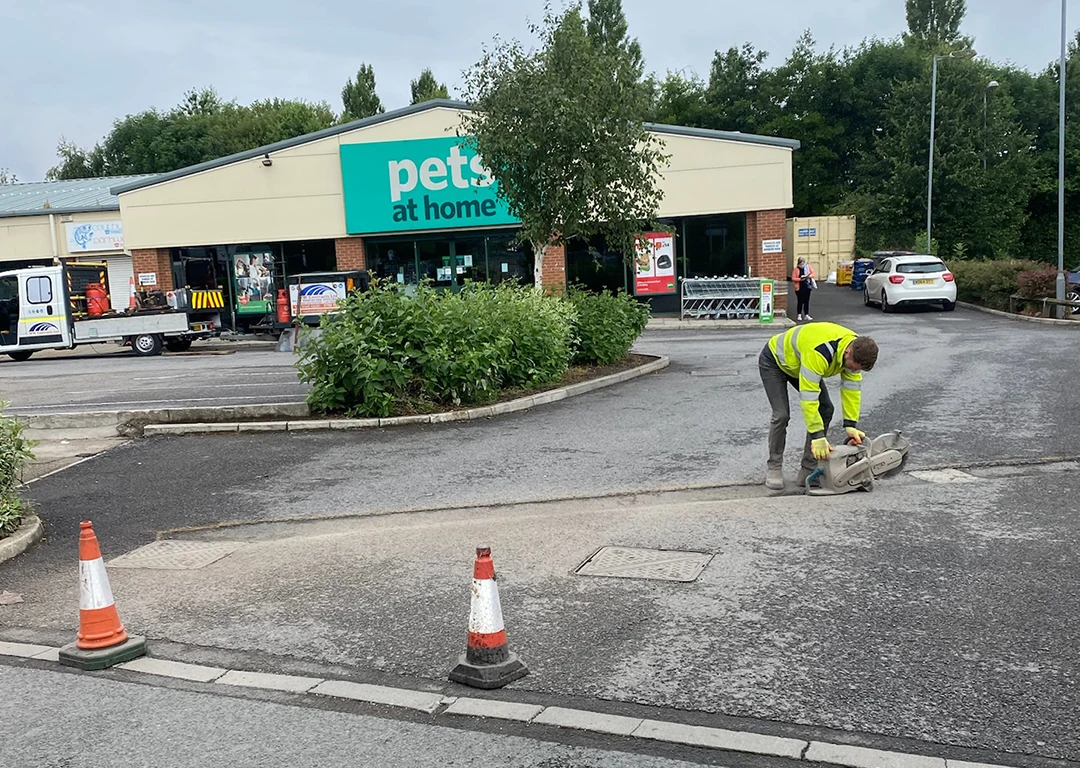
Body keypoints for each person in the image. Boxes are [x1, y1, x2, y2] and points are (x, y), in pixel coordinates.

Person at [758, 322, 879, 490]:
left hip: (799, 363)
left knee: (826, 409)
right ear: (847, 352)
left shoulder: (857, 350)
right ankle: (774, 467)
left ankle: (808, 470)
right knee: (781, 415)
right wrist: (818, 436)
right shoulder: (820, 352)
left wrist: (850, 425)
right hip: (775, 361)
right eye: (851, 366)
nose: (851, 370)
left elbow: (851, 390)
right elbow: (809, 397)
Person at [792, 257, 816, 321]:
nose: (802, 264)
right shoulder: (796, 269)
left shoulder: (808, 267)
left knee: (806, 301)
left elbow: (813, 273)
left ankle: (806, 314)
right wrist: (800, 279)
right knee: (800, 301)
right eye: (801, 263)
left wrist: (808, 276)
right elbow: (793, 278)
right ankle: (799, 314)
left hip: (807, 286)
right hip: (799, 287)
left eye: (803, 263)